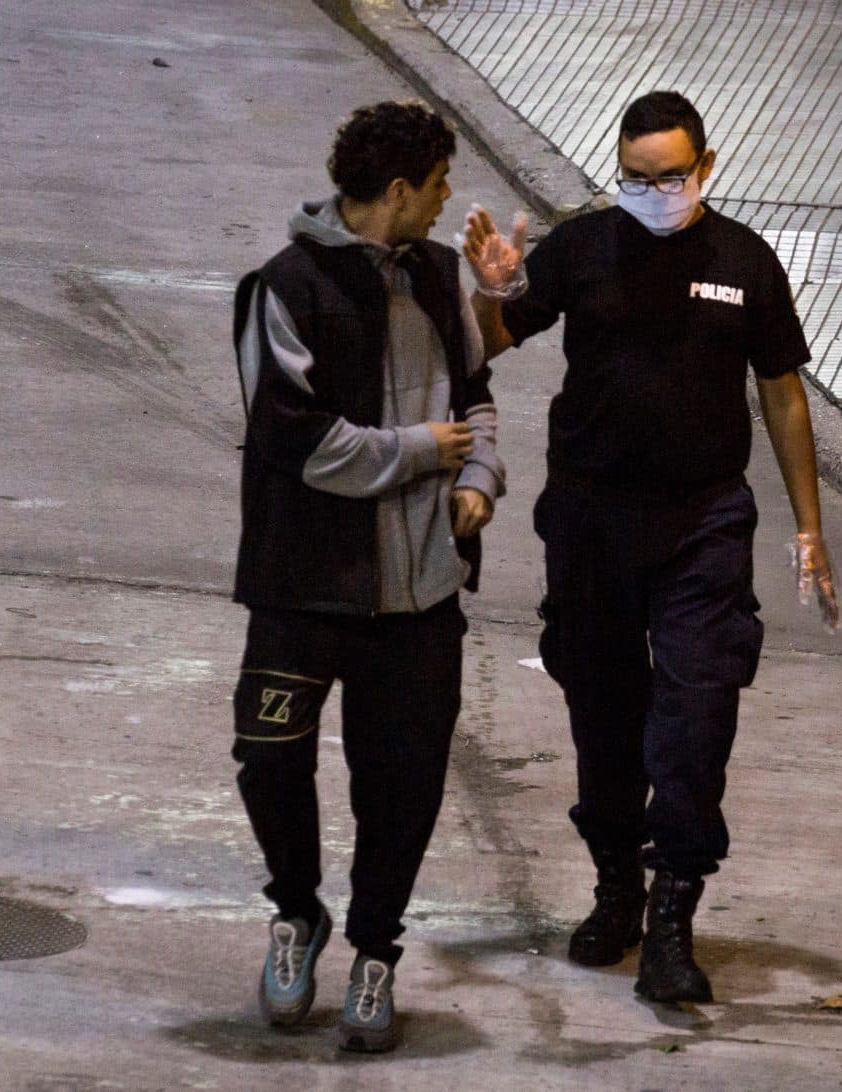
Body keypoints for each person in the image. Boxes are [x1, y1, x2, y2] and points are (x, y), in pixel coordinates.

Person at [461, 90, 838, 1003]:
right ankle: (617, 888)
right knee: (602, 710)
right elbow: (493, 339)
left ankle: (674, 911)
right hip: (591, 519)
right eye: (636, 178)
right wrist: (496, 286)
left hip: (703, 521)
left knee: (697, 712)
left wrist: (811, 527)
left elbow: (783, 394)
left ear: (705, 166)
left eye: (672, 176)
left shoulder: (745, 262)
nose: (655, 192)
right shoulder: (584, 248)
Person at [229, 100, 506, 1053]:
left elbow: (479, 402)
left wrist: (477, 477)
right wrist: (424, 451)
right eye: (435, 188)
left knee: (404, 781)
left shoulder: (437, 277)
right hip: (302, 585)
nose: (442, 205)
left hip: (421, 592)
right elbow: (295, 441)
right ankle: (297, 914)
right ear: (398, 189)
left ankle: (376, 948)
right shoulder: (285, 287)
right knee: (270, 762)